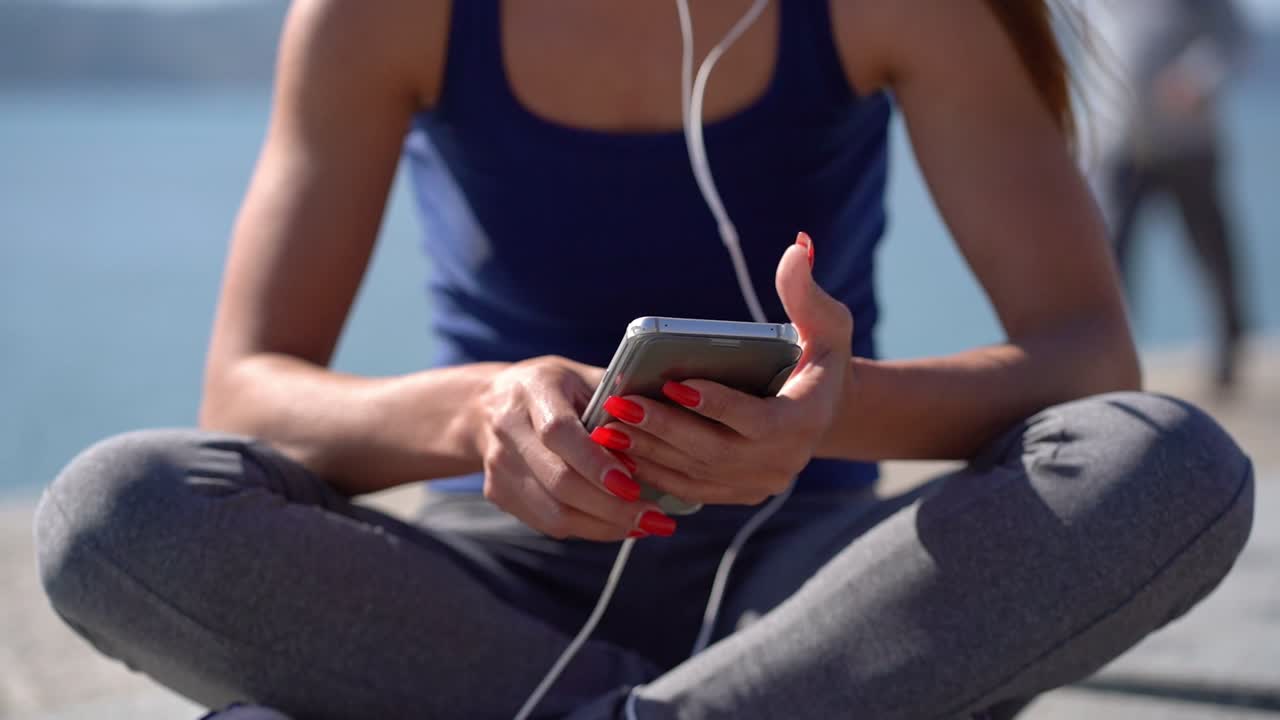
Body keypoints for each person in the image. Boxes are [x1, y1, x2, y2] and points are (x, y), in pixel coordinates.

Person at [33, 1, 1254, 719]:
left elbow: (1087, 361)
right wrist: (480, 417)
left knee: (1169, 468)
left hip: (825, 584)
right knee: (111, 514)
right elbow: (246, 395)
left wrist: (822, 413)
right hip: (491, 591)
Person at [1090, 0, 1250, 389]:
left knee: (1211, 250)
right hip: (1120, 145)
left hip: (1187, 143)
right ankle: (1108, 360)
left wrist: (1198, 78)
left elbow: (1238, 40)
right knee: (1107, 257)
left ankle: (1230, 348)